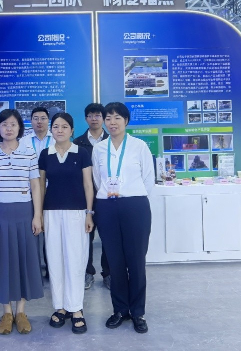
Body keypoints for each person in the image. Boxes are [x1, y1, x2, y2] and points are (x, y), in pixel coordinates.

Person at [0, 109, 44, 335]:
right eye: (4, 124)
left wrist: (37, 215)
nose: (9, 128)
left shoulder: (29, 153)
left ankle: (21, 312)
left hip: (24, 213)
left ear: (19, 128)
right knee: (2, 261)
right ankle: (7, 313)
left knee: (23, 260)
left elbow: (35, 186)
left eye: (13, 124)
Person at [92, 102, 154, 334]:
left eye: (117, 118)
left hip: (135, 205)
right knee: (114, 261)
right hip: (107, 206)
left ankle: (138, 312)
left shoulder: (139, 146)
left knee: (136, 261)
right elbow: (97, 179)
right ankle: (119, 310)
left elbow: (148, 178)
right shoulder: (99, 148)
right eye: (108, 118)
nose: (112, 122)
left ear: (126, 121)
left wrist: (132, 196)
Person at [39, 112, 94, 334]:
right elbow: (40, 186)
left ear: (72, 130)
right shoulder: (45, 154)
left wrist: (89, 213)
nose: (59, 130)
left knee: (76, 259)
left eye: (64, 126)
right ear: (51, 130)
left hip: (77, 213)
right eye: (56, 126)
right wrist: (38, 214)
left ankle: (76, 308)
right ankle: (60, 306)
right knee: (55, 260)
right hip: (51, 212)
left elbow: (88, 184)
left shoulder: (82, 153)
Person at [73, 103, 111, 290]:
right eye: (90, 115)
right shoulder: (78, 143)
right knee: (85, 237)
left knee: (108, 237)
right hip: (84, 197)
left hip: (107, 196)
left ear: (103, 118)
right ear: (85, 118)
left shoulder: (112, 140)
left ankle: (108, 273)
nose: (94, 119)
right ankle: (87, 272)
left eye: (97, 115)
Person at [19, 107, 53, 278]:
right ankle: (32, 271)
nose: (39, 121)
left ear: (48, 120)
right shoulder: (23, 142)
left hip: (52, 191)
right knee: (30, 231)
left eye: (43, 118)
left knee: (50, 233)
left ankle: (50, 270)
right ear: (30, 121)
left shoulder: (56, 139)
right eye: (36, 118)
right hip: (28, 191)